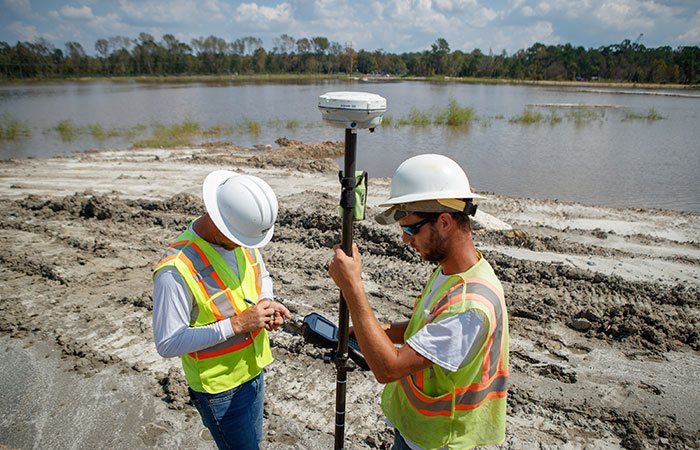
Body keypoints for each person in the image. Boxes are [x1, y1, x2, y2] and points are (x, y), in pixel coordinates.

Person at [329, 154, 509, 450]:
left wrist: (353, 288)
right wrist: (381, 331)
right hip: (416, 432)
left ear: (445, 221)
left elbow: (388, 369)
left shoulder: (469, 306)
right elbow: (428, 325)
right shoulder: (454, 271)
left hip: (436, 440)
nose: (404, 239)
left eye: (411, 228)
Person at [152, 170, 291, 450]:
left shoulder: (242, 234)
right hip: (219, 390)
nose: (245, 246)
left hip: (254, 369)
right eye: (240, 239)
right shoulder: (175, 270)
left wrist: (266, 301)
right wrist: (238, 325)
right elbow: (167, 343)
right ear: (217, 221)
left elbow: (260, 275)